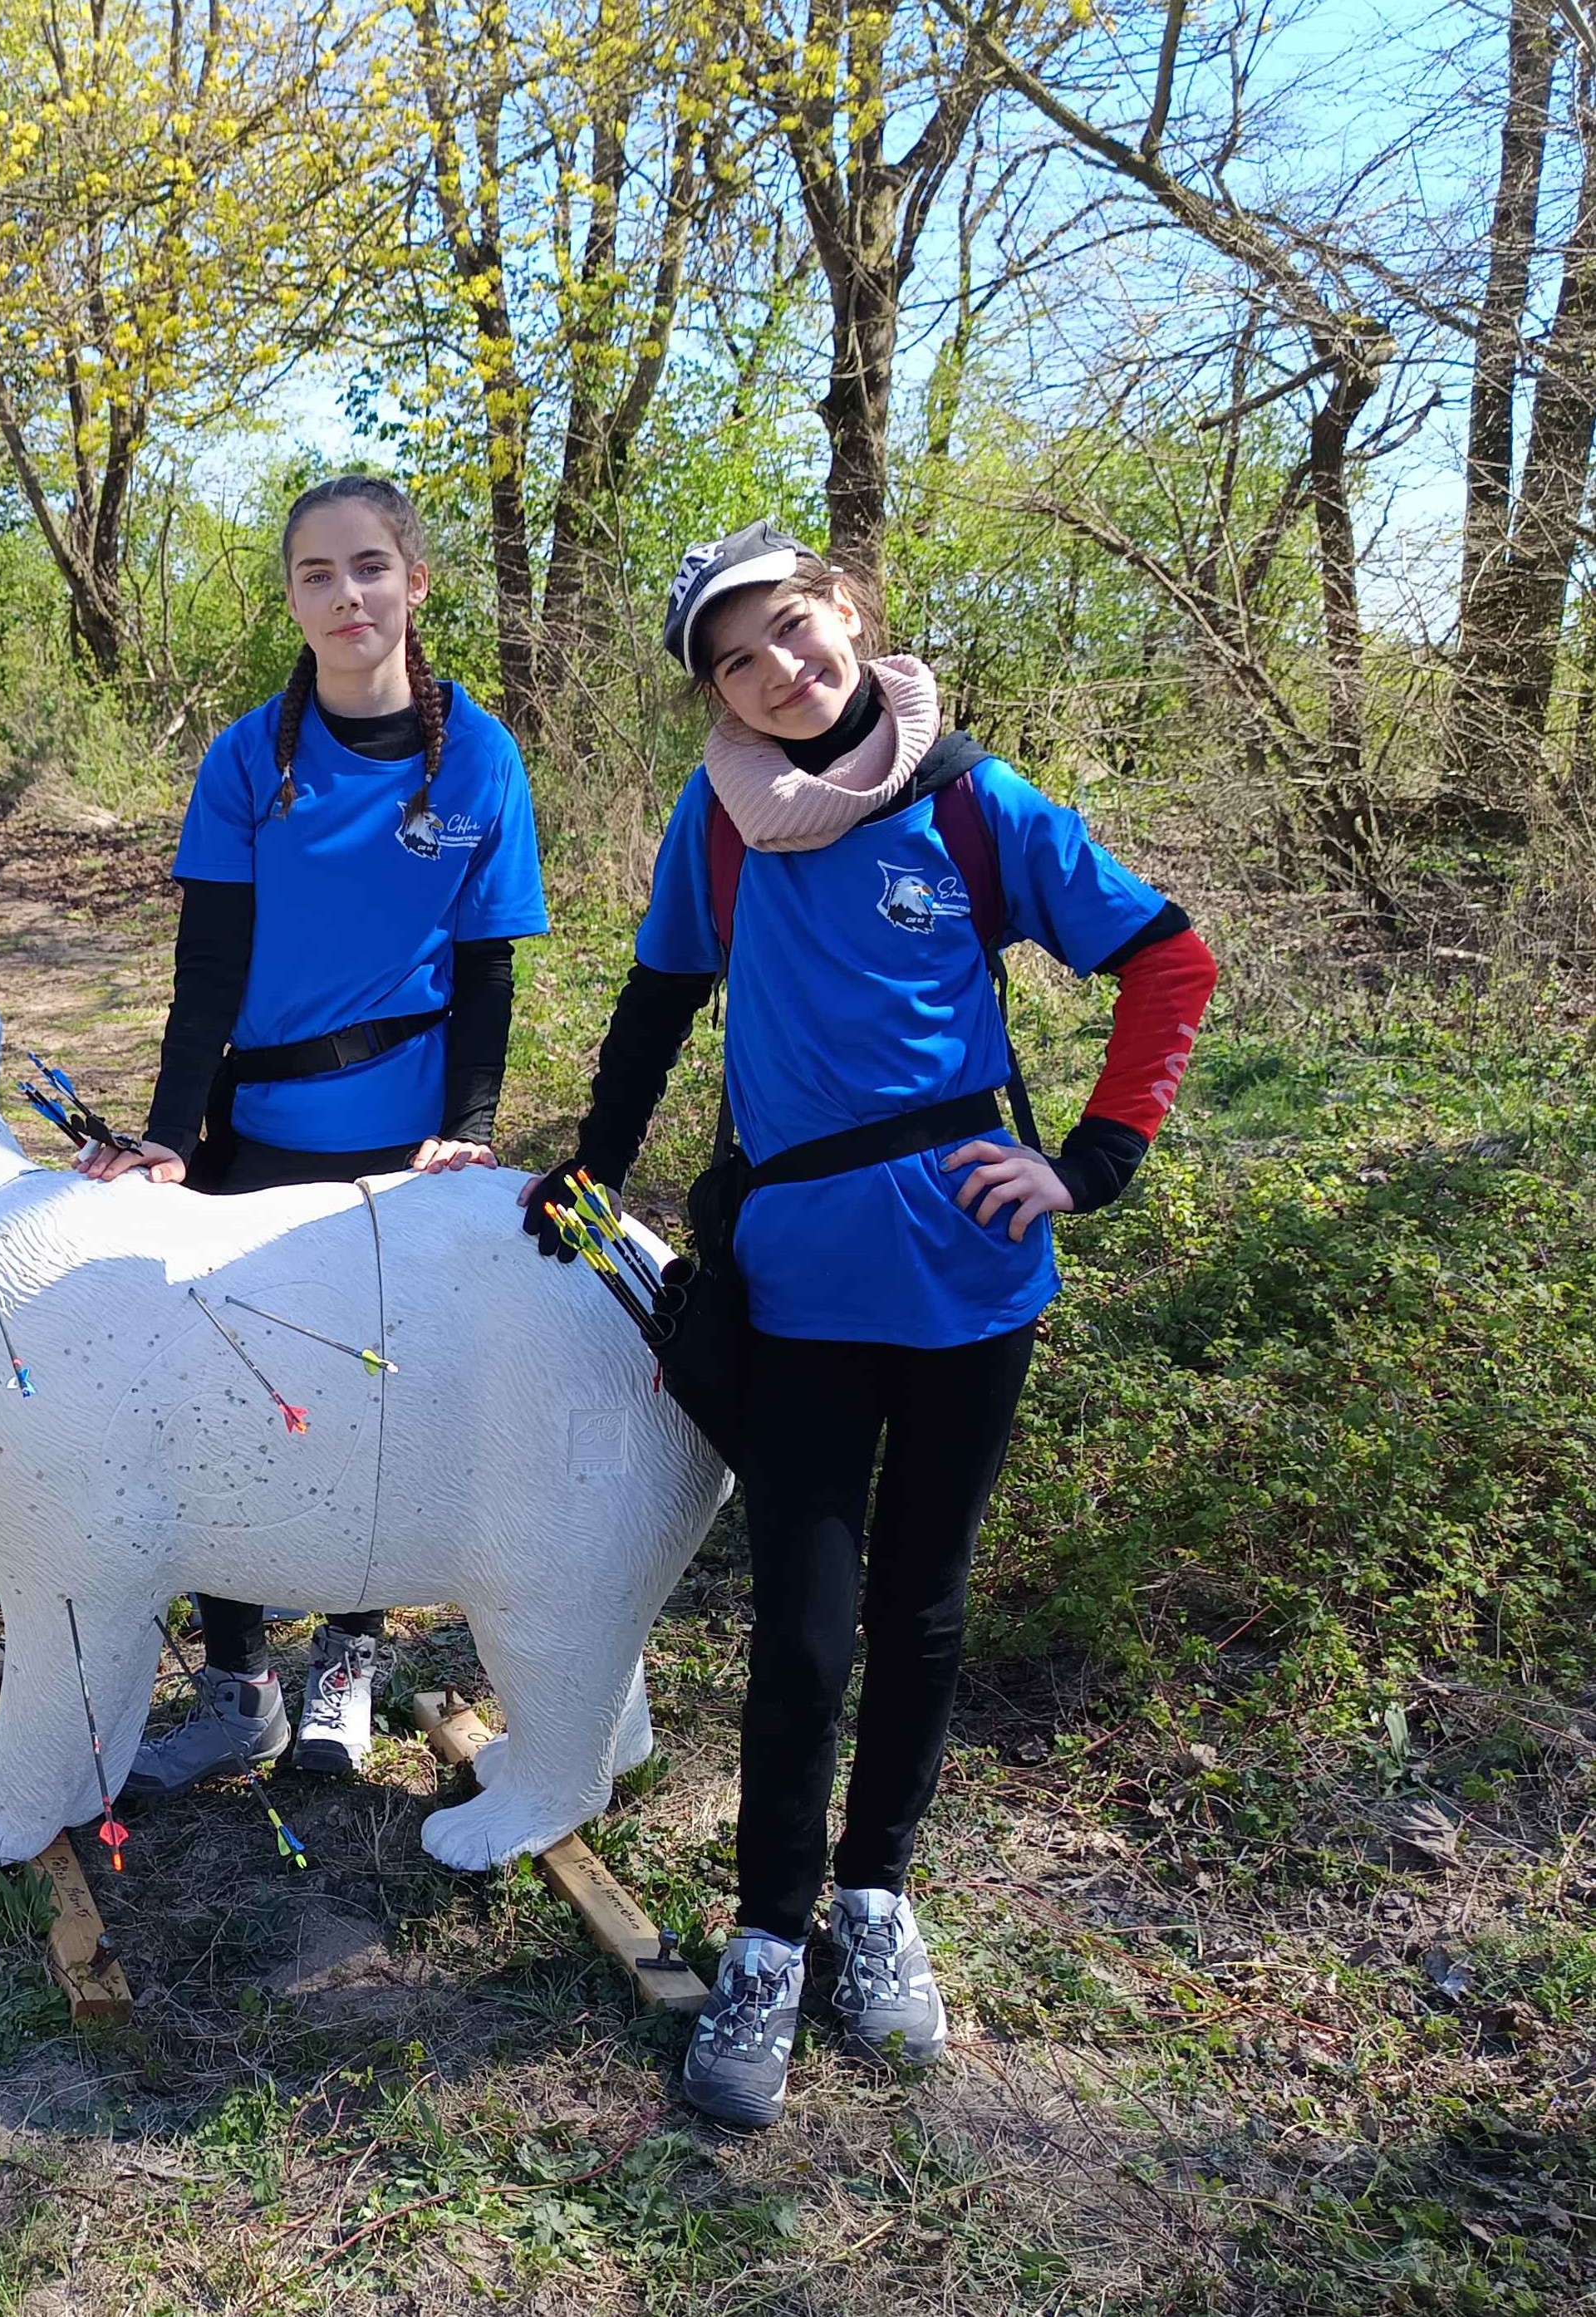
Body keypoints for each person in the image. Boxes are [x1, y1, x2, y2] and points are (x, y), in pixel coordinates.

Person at [524, 520, 1216, 2124]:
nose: (777, 672)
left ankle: (876, 1903)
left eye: (790, 631)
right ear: (713, 691)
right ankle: (767, 1939)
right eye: (735, 659)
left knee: (920, 1608)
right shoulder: (716, 824)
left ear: (843, 613)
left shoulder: (973, 801)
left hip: (969, 1277)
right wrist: (587, 1166)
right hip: (796, 1281)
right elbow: (656, 1003)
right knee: (807, 1624)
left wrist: (1090, 1160)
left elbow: (1164, 959)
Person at [78, 473, 549, 1787]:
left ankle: (347, 1662)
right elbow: (207, 966)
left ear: (413, 581)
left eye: (368, 568)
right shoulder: (246, 756)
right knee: (228, 1398)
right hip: (258, 1136)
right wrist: (170, 1138)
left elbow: (490, 972)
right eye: (315, 575)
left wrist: (467, 1127)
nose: (346, 595)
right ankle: (238, 1685)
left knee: (369, 1405)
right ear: (291, 597)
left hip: (398, 1149)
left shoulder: (481, 757)